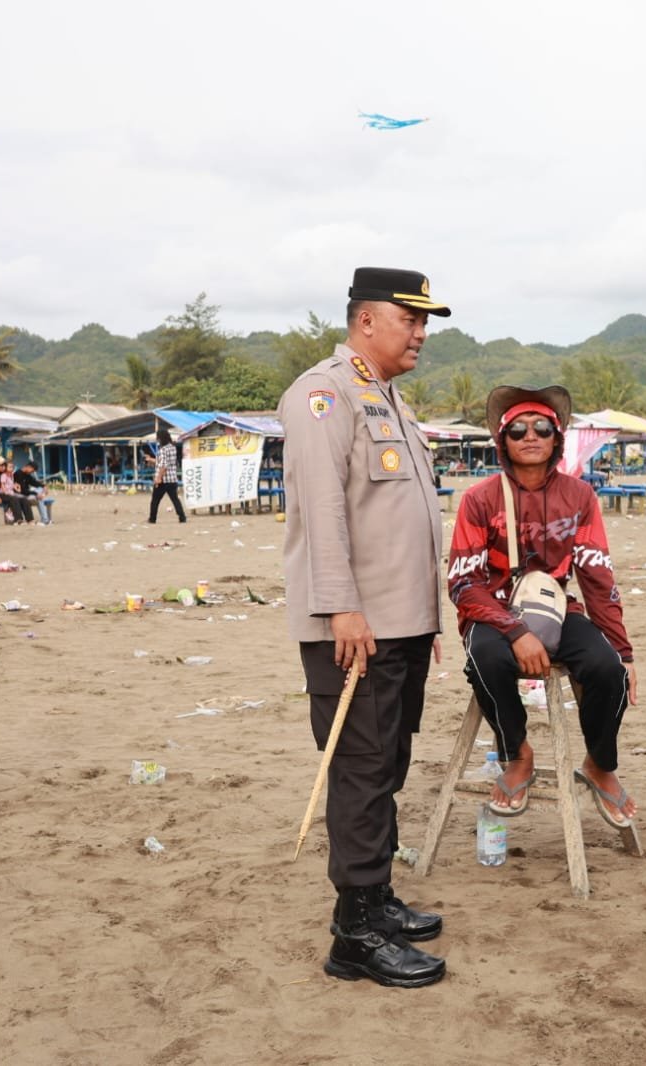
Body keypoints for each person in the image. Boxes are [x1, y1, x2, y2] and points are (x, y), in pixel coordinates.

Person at [279, 266, 452, 989]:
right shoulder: (323, 393)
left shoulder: (387, 398)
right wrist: (339, 606)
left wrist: (428, 619)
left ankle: (375, 897)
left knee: (386, 764)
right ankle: (353, 934)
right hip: (355, 625)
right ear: (366, 321)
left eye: (423, 323)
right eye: (409, 320)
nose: (419, 334)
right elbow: (322, 511)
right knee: (358, 770)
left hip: (401, 623)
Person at [449, 385, 639, 830]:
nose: (529, 436)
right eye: (517, 430)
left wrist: (623, 651)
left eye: (541, 428)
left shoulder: (580, 497)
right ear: (503, 441)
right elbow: (462, 584)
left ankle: (599, 764)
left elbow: (596, 576)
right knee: (486, 659)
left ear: (557, 438)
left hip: (556, 608)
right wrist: (515, 631)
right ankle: (517, 754)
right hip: (490, 610)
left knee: (607, 668)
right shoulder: (479, 499)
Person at [148, 428, 186, 524]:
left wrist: (158, 478)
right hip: (172, 478)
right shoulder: (173, 448)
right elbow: (165, 462)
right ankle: (182, 517)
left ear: (160, 438)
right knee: (175, 500)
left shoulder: (163, 449)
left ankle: (152, 519)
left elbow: (163, 465)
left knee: (155, 500)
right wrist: (151, 460)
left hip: (163, 479)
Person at [0, 459, 34, 524]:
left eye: (3, 465)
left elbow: (10, 482)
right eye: (1, 466)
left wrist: (15, 485)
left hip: (8, 493)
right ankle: (18, 519)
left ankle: (30, 519)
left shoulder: (5, 473)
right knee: (13, 498)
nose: (3, 467)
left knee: (24, 498)